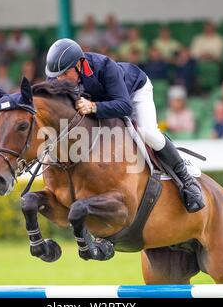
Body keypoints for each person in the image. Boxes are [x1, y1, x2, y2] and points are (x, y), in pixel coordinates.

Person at [44, 38, 204, 212]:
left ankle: (187, 180)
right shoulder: (57, 75)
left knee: (147, 132)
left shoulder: (105, 67)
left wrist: (94, 106)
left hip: (134, 93)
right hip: (104, 102)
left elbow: (124, 106)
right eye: (56, 76)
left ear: (79, 64)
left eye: (65, 74)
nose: (60, 80)